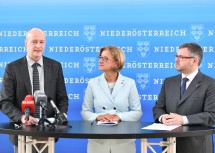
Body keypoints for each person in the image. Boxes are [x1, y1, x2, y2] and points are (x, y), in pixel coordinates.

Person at [0, 28, 68, 153]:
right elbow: (4, 102)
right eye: (34, 42)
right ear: (26, 43)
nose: (38, 46)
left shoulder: (55, 66)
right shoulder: (12, 68)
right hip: (22, 132)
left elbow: (62, 97)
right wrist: (21, 117)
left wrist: (62, 114)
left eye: (42, 42)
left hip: (48, 131)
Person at [153, 42, 215, 153]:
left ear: (194, 60)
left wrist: (183, 120)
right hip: (169, 145)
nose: (176, 60)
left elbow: (212, 115)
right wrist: (163, 117)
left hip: (197, 146)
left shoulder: (210, 83)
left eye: (181, 57)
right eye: (176, 56)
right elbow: (158, 108)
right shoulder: (169, 82)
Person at [81, 46, 142, 153]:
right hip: (98, 140)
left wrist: (119, 116)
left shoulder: (129, 83)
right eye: (100, 57)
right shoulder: (93, 83)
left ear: (116, 63)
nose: (100, 61)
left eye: (105, 58)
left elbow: (137, 112)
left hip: (122, 140)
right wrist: (98, 116)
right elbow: (85, 112)